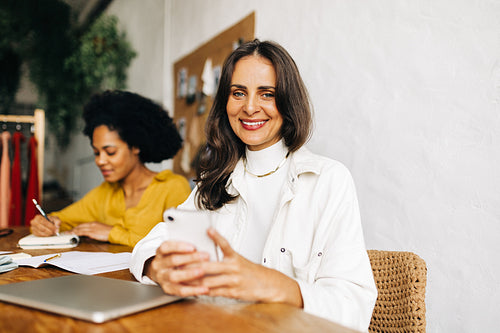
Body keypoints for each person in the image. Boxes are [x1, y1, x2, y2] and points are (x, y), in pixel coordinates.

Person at [130, 40, 377, 332]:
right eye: (238, 93)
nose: (249, 107)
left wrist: (278, 286)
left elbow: (354, 307)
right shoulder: (216, 180)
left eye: (267, 94)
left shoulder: (328, 180)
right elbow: (148, 245)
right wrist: (157, 266)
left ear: (288, 101)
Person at [30, 90, 191, 247]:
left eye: (110, 152)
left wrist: (112, 233)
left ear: (135, 146)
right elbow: (61, 220)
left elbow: (182, 244)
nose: (100, 161)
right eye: (96, 152)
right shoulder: (104, 194)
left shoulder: (172, 187)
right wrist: (44, 224)